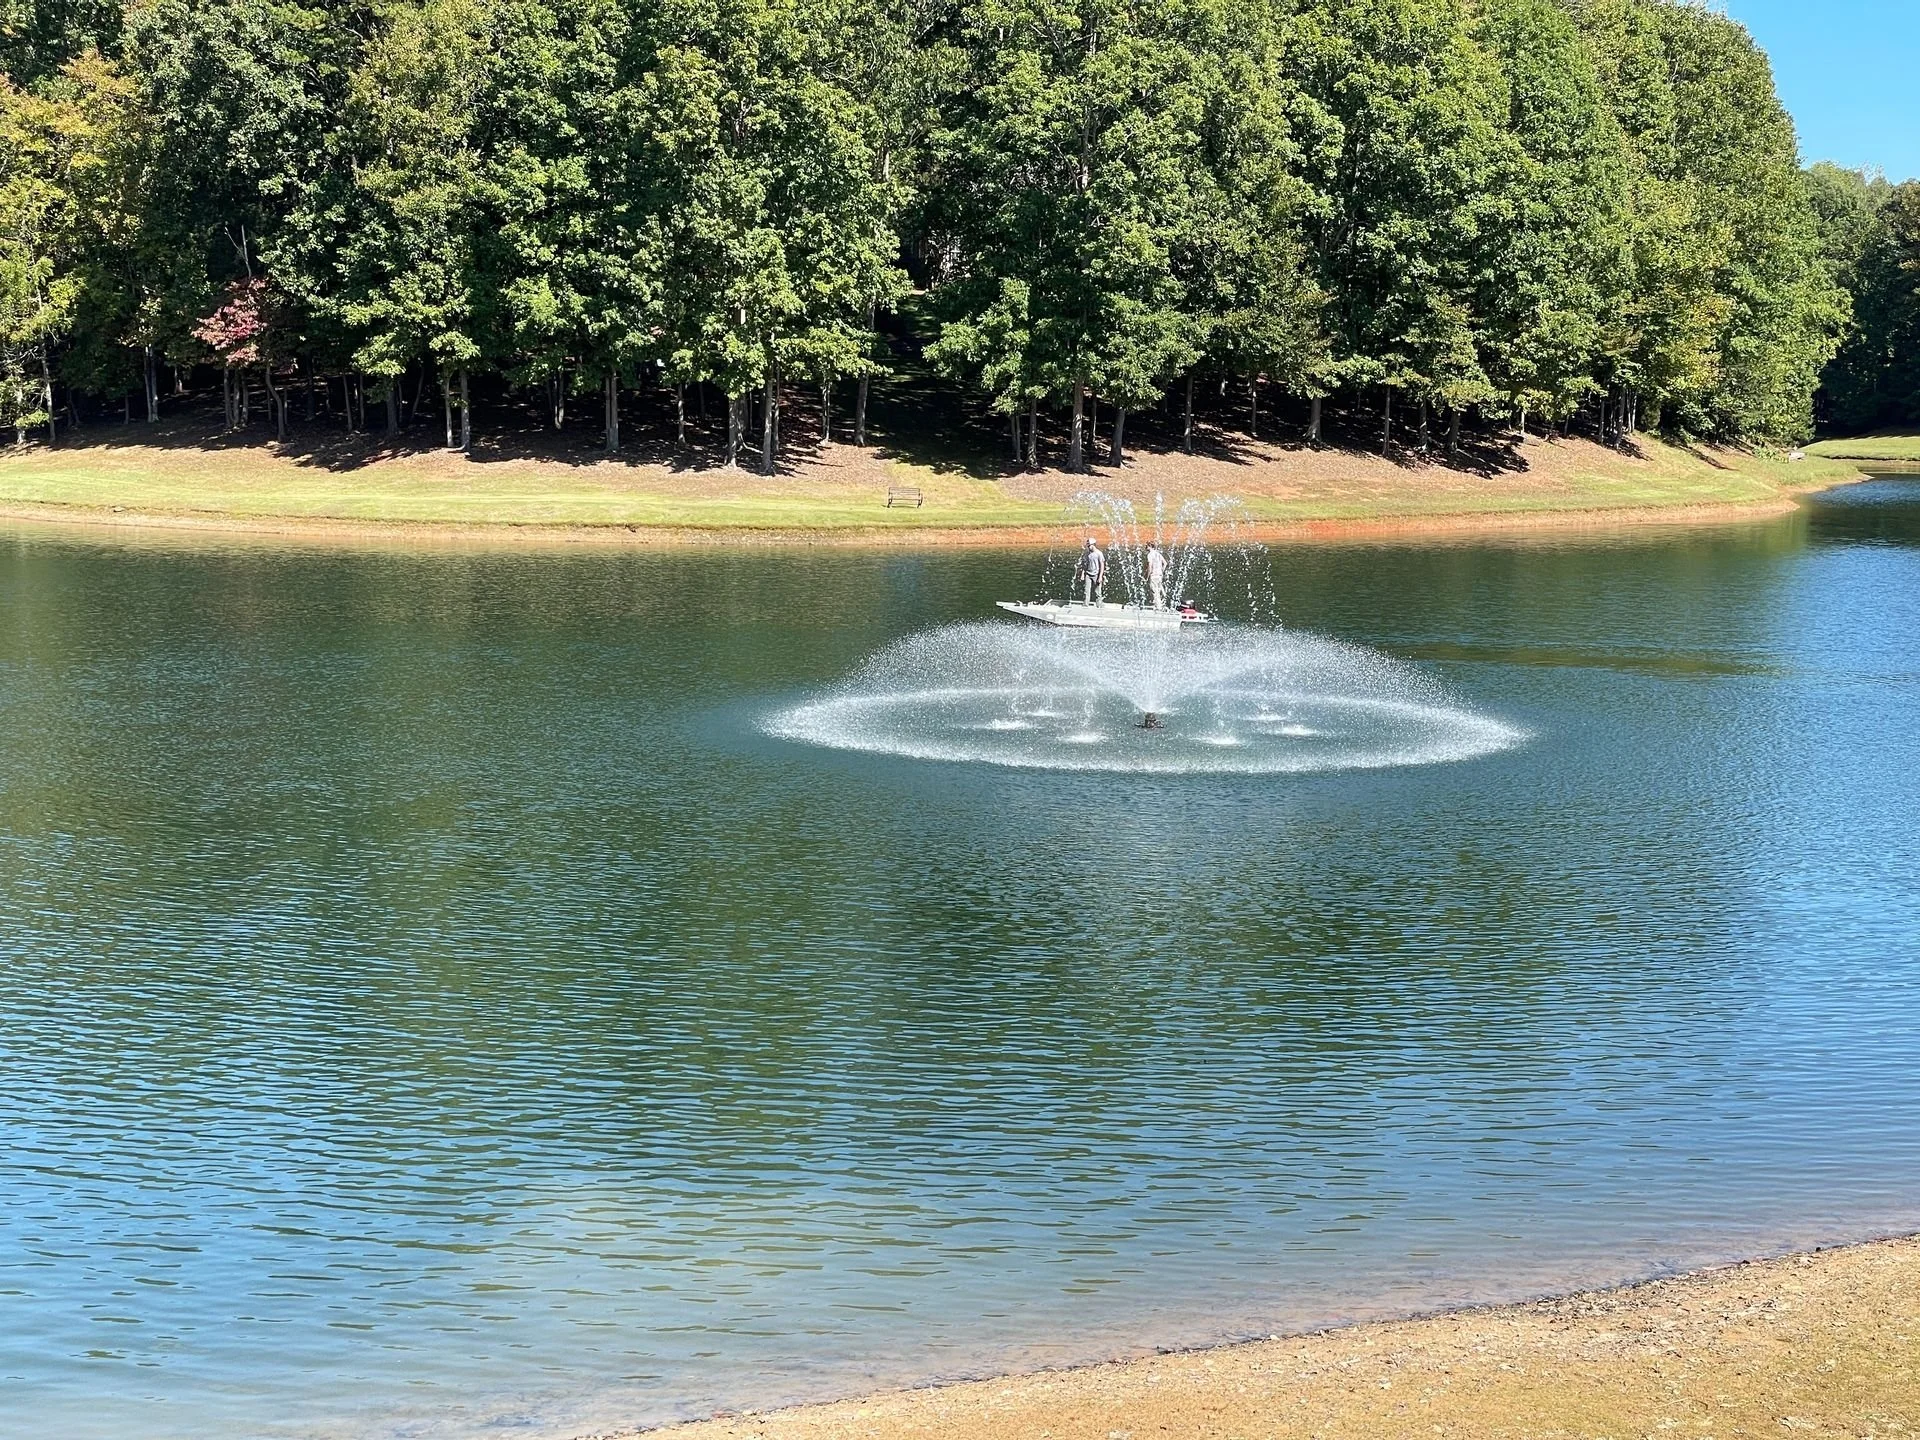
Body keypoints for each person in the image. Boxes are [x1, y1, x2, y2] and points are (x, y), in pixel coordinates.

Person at [1073, 537, 1107, 605]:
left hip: (1096, 574)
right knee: (1086, 591)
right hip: (1088, 574)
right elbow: (1085, 565)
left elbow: (1102, 566)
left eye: (1089, 545)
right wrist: (1083, 574)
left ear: (1093, 545)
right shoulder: (1087, 554)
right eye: (1088, 545)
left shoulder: (1099, 554)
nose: (1088, 547)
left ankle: (1099, 605)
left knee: (1098, 592)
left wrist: (1100, 577)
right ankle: (1085, 604)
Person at [1144, 540, 1168, 609]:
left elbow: (1150, 566)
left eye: (1147, 546)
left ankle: (1159, 608)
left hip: (1154, 575)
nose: (1145, 547)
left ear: (1150, 546)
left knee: (1155, 592)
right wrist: (1161, 571)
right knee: (1158, 589)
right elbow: (1165, 563)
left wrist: (1147, 576)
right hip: (1159, 575)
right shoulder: (1158, 554)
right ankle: (1163, 599)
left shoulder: (1150, 555)